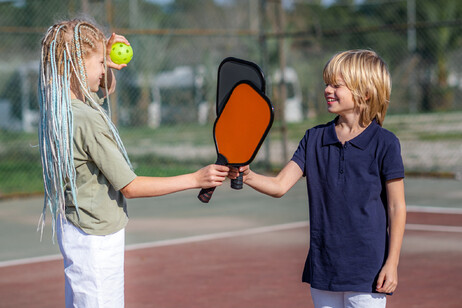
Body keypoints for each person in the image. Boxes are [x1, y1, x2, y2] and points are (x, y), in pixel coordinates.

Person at [37, 18, 229, 307]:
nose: (105, 70)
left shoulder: (60, 106)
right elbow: (131, 186)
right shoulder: (88, 121)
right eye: (101, 63)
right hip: (97, 243)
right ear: (77, 65)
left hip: (78, 232)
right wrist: (195, 179)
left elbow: (101, 90)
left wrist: (103, 62)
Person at [230, 49, 406, 308]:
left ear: (365, 93)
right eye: (327, 83)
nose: (328, 89)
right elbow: (280, 185)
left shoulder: (385, 143)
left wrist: (392, 263)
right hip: (324, 268)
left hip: (368, 271)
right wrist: (248, 174)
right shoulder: (313, 139)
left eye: (337, 85)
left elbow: (396, 207)